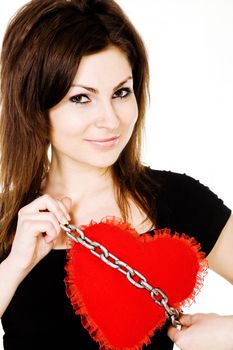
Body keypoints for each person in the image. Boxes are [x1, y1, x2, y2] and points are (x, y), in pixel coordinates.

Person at [0, 0, 232, 349]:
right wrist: (15, 265)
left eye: (121, 92)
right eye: (81, 98)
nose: (111, 120)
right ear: (34, 106)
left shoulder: (178, 200)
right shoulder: (7, 221)